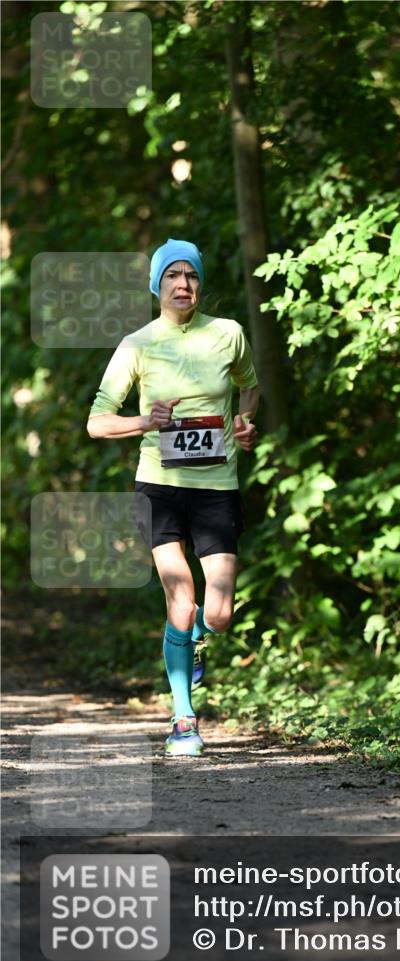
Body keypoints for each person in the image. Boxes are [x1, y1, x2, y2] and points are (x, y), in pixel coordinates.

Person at [87, 238, 260, 757]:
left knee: (221, 610)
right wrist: (146, 420)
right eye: (172, 277)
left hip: (216, 488)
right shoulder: (136, 345)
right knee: (181, 600)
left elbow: (248, 386)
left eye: (190, 276)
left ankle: (196, 639)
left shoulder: (228, 334)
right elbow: (97, 422)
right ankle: (184, 719)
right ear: (157, 286)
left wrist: (245, 422)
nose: (183, 285)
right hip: (159, 487)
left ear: (200, 284)